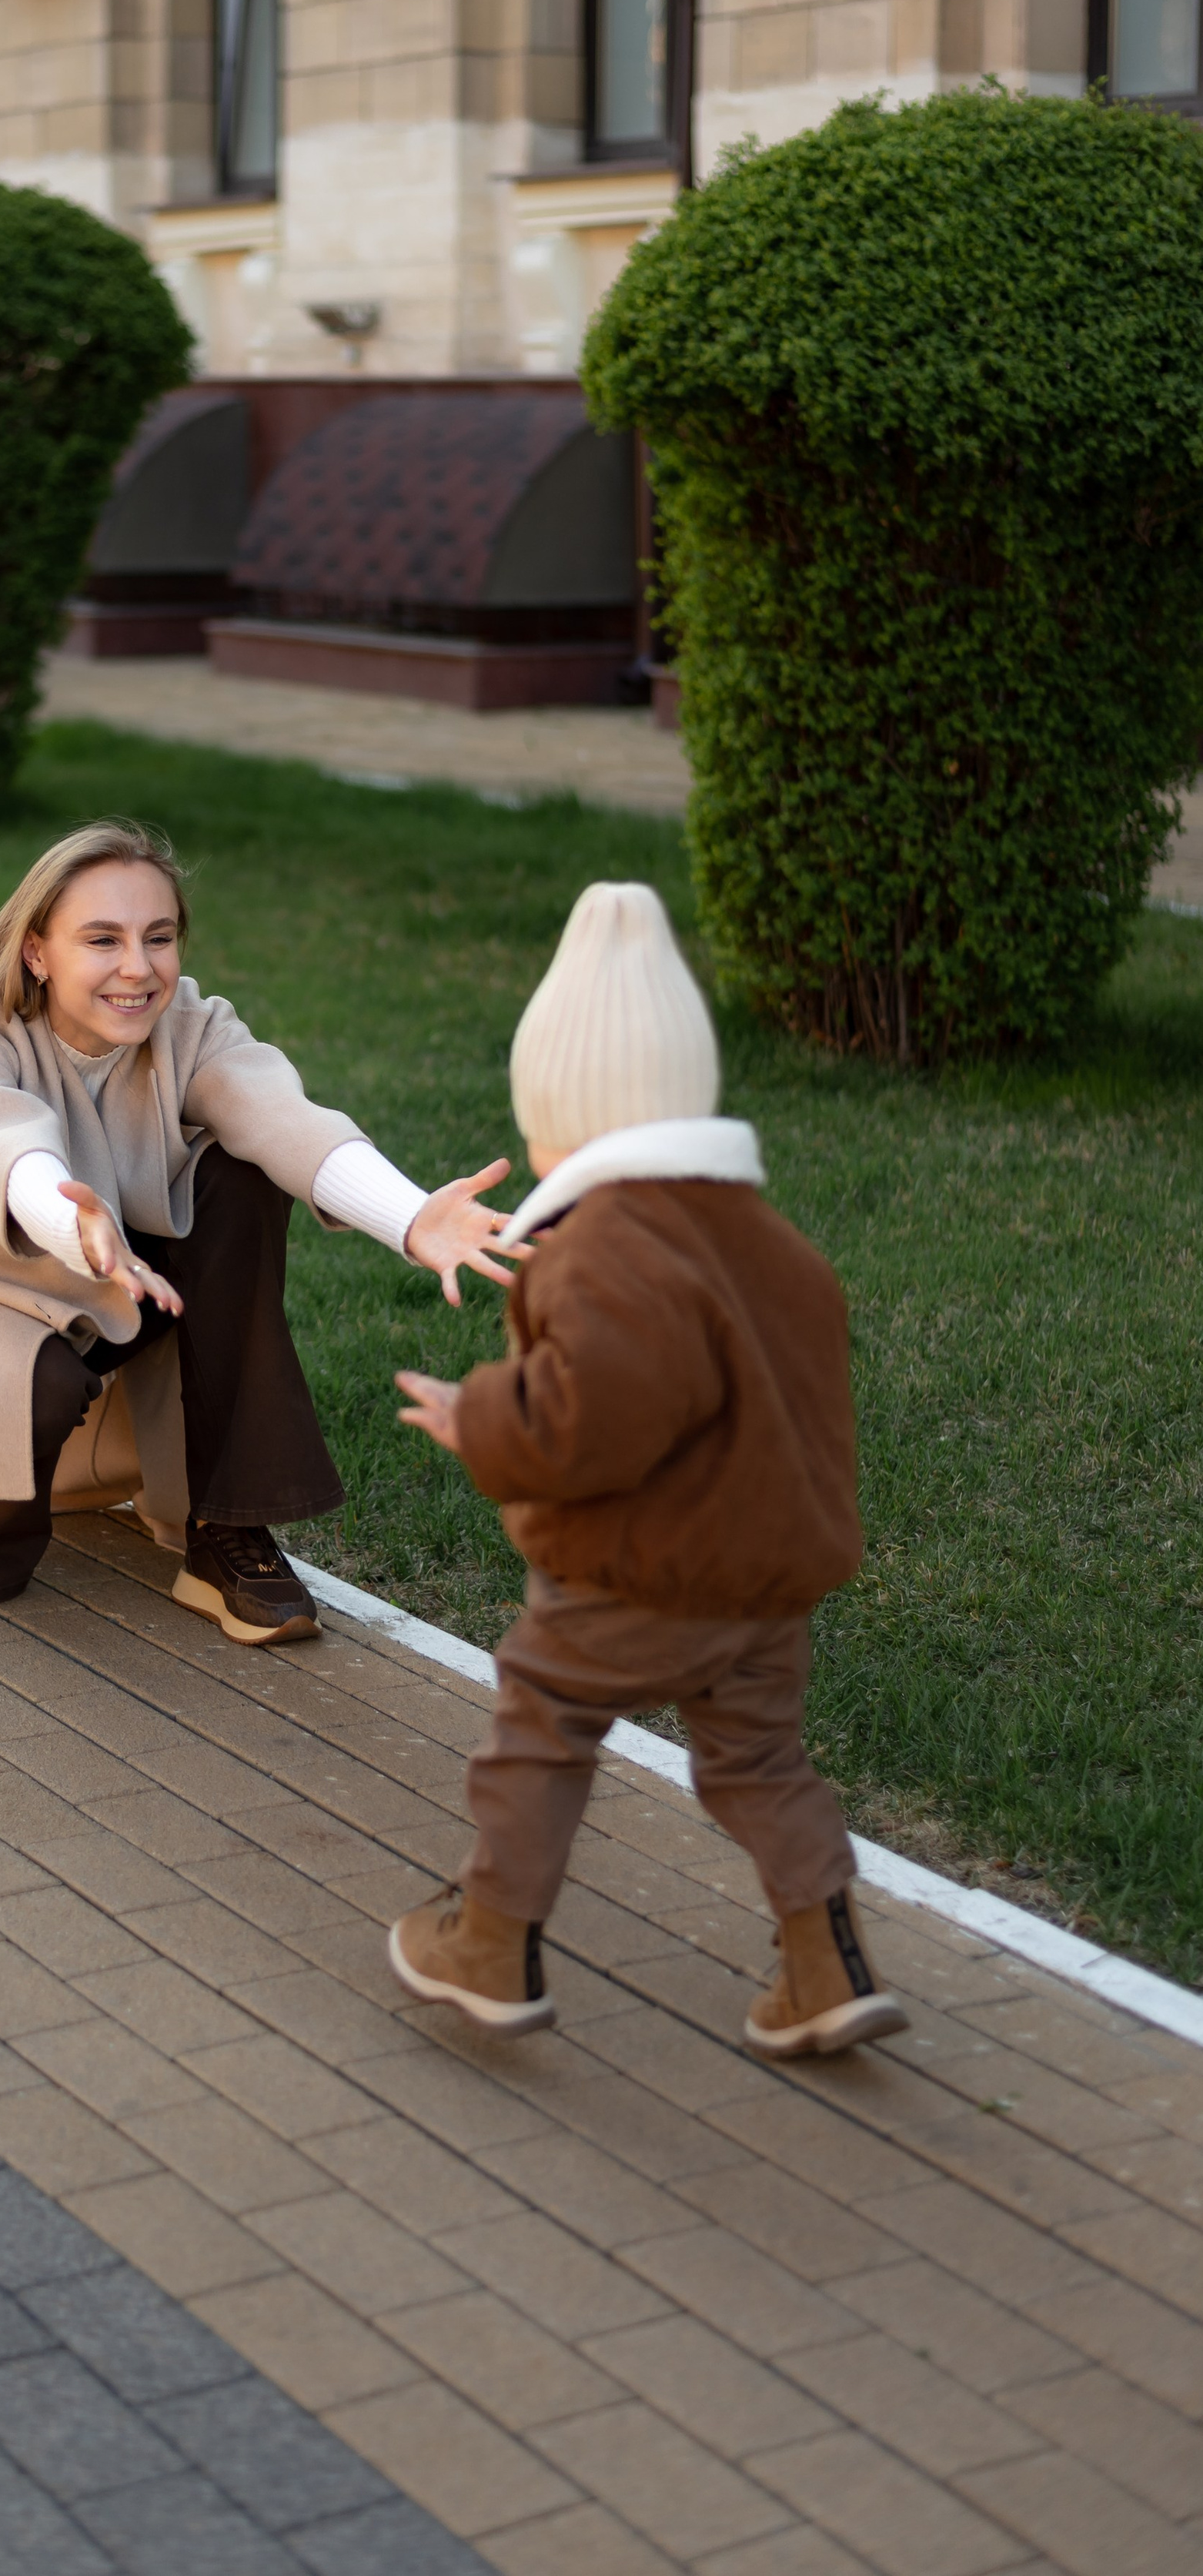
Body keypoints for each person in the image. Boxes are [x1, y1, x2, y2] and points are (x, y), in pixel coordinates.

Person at [388, 882, 908, 2061]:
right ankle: (826, 1960)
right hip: (765, 1587)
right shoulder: (772, 1242)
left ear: (564, 1116)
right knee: (760, 1759)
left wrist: (484, 1414)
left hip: (641, 1576)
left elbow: (592, 1423)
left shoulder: (610, 1244)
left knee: (542, 1723)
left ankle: (491, 1941)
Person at [0, 818, 516, 1646]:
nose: (137, 968)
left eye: (159, 937)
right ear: (37, 951)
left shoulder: (188, 1025)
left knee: (242, 1174)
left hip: (106, 1287)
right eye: (101, 939)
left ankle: (224, 1532)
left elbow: (279, 1117)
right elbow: (0, 1143)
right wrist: (79, 1225)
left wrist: (411, 1214)